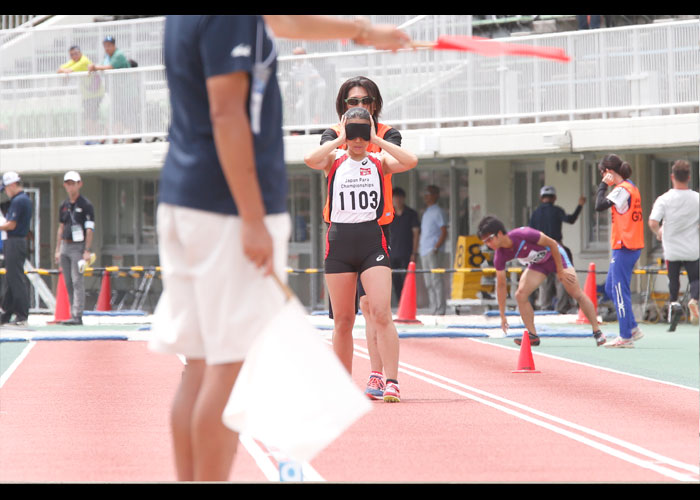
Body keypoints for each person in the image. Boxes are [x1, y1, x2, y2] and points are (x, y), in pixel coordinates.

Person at [149, 15, 410, 482]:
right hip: (222, 205)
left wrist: (362, 32)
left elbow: (283, 21)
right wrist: (252, 218)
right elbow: (226, 112)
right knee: (227, 372)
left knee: (200, 366)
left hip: (189, 195)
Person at [305, 106, 418, 404]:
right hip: (339, 243)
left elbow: (411, 161)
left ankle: (391, 381)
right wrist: (340, 136)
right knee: (343, 319)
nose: (357, 141)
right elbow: (310, 159)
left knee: (381, 312)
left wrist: (376, 140)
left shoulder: (380, 161)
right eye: (352, 135)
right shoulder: (334, 159)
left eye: (362, 134)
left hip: (372, 242)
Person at [320, 75, 405, 400]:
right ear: (343, 106)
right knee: (343, 316)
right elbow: (317, 161)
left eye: (364, 102)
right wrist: (342, 135)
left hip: (376, 228)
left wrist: (371, 136)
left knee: (374, 307)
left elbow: (404, 160)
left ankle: (378, 374)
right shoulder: (334, 135)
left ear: (375, 105)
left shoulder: (386, 133)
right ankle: (342, 382)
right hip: (341, 232)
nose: (358, 107)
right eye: (352, 102)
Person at [476, 215, 605, 347]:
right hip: (539, 264)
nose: (488, 244)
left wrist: (560, 271)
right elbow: (501, 285)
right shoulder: (500, 256)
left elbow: (552, 244)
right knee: (520, 295)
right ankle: (533, 335)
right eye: (485, 242)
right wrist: (502, 315)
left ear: (499, 234)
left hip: (556, 257)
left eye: (489, 240)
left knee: (576, 293)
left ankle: (597, 331)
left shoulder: (524, 234)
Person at [594, 154, 645, 348]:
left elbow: (599, 205)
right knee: (610, 288)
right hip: (627, 245)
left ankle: (625, 336)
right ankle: (632, 327)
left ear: (608, 172)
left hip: (625, 246)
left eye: (602, 173)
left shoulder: (621, 189)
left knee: (618, 290)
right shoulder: (630, 186)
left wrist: (602, 186)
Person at [648, 160, 699, 329]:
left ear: (672, 177)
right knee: (695, 278)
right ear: (689, 177)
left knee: (673, 279)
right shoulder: (697, 199)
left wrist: (659, 233)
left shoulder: (664, 199)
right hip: (692, 247)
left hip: (672, 248)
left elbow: (653, 222)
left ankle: (674, 304)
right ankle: (694, 299)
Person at [529, 185, 586, 313]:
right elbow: (570, 220)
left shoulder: (535, 213)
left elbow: (530, 232)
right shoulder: (557, 210)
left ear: (541, 197)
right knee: (561, 276)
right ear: (554, 198)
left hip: (540, 248)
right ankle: (561, 307)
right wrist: (580, 205)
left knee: (544, 278)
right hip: (556, 246)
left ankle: (545, 307)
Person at [54, 171, 96, 326]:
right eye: (68, 183)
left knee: (77, 280)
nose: (70, 186)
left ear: (80, 184)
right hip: (65, 244)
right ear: (65, 185)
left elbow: (90, 229)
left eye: (74, 183)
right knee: (68, 281)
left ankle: (78, 315)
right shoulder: (63, 205)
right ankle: (73, 313)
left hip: (78, 246)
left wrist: (87, 250)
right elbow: (61, 227)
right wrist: (57, 249)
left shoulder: (86, 205)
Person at [0, 172, 33, 326]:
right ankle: (6, 313)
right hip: (14, 241)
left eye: (6, 188)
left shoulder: (19, 200)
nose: (6, 191)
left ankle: (22, 315)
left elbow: (11, 225)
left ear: (12, 185)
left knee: (16, 278)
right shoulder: (21, 199)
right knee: (10, 278)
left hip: (15, 241)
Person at [418, 185, 448, 315]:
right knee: (428, 282)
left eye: (428, 193)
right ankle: (433, 307)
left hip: (433, 251)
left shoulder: (438, 211)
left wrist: (436, 247)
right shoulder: (426, 212)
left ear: (436, 195)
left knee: (436, 280)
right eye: (424, 193)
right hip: (424, 251)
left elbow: (444, 231)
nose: (426, 196)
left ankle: (441, 309)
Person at [390, 186, 420, 301]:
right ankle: (400, 304)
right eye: (395, 198)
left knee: (407, 279)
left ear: (404, 198)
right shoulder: (389, 215)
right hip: (392, 253)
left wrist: (414, 252)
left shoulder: (411, 214)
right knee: (395, 280)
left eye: (399, 198)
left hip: (407, 253)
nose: (397, 200)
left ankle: (408, 302)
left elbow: (416, 234)